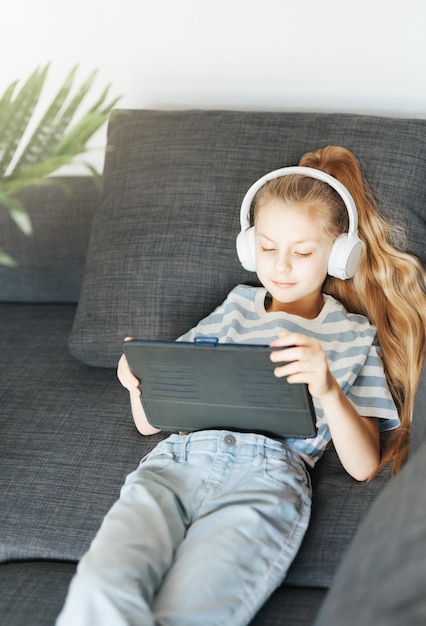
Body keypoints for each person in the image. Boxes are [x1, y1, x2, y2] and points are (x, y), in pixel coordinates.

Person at [56, 146, 426, 626]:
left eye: (304, 252)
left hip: (265, 479)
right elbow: (151, 423)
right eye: (268, 248)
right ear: (249, 246)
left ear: (339, 255)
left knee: (187, 613)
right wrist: (136, 382)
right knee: (99, 589)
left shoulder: (354, 337)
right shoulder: (232, 306)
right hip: (175, 466)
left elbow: (362, 467)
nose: (281, 267)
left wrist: (328, 389)